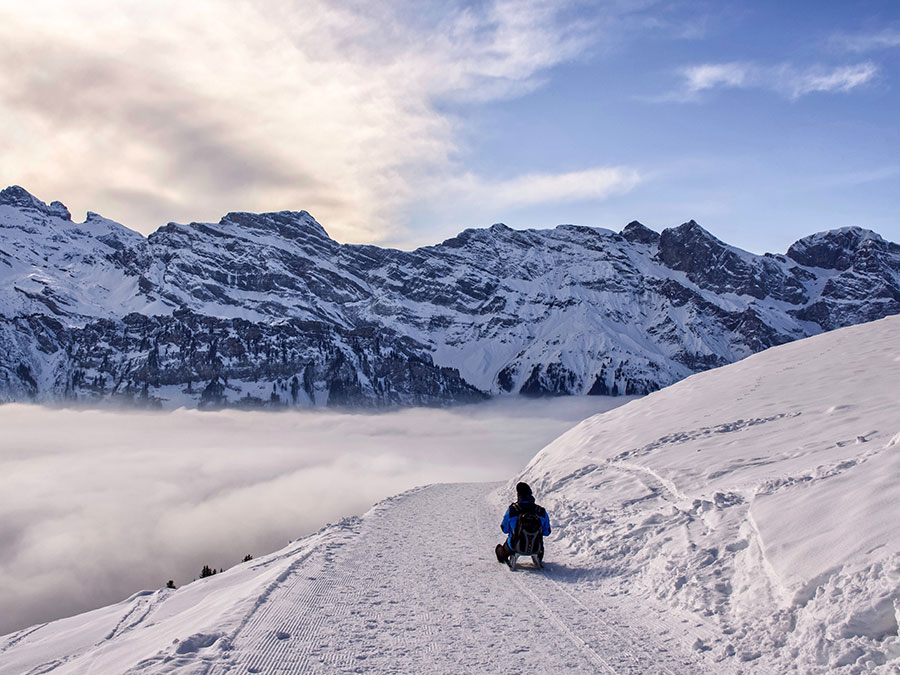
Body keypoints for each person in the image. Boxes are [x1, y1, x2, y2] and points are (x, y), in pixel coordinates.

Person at [495, 481, 551, 566]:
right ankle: (537, 558)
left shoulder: (512, 510)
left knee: (500, 549)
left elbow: (505, 529)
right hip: (537, 548)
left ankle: (505, 556)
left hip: (514, 546)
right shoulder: (541, 511)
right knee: (539, 545)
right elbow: (547, 532)